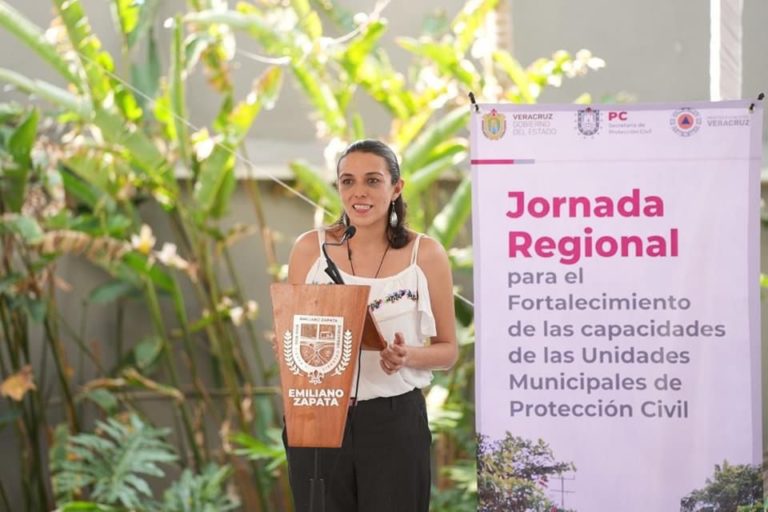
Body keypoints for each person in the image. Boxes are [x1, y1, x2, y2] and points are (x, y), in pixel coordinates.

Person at [283, 139, 458, 512]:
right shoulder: (309, 249)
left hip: (393, 422)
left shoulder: (425, 255)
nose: (358, 192)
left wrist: (407, 355)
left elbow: (448, 351)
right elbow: (289, 335)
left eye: (372, 180)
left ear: (396, 188)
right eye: (348, 181)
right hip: (318, 417)